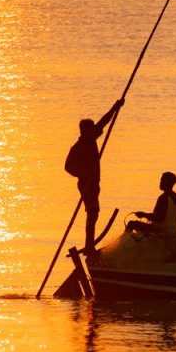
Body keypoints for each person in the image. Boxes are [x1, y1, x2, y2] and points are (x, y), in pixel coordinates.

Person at [64, 98, 124, 254]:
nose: (94, 131)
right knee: (92, 211)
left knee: (94, 212)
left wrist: (115, 107)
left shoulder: (91, 140)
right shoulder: (78, 147)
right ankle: (89, 246)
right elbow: (68, 167)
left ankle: (89, 243)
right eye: (91, 129)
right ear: (85, 131)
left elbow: (103, 122)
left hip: (94, 183)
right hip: (86, 184)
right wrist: (83, 173)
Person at [128, 171, 176, 236]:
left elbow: (159, 218)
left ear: (167, 182)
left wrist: (143, 214)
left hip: (160, 230)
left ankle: (124, 243)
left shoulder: (163, 198)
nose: (160, 182)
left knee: (131, 224)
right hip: (174, 230)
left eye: (162, 180)